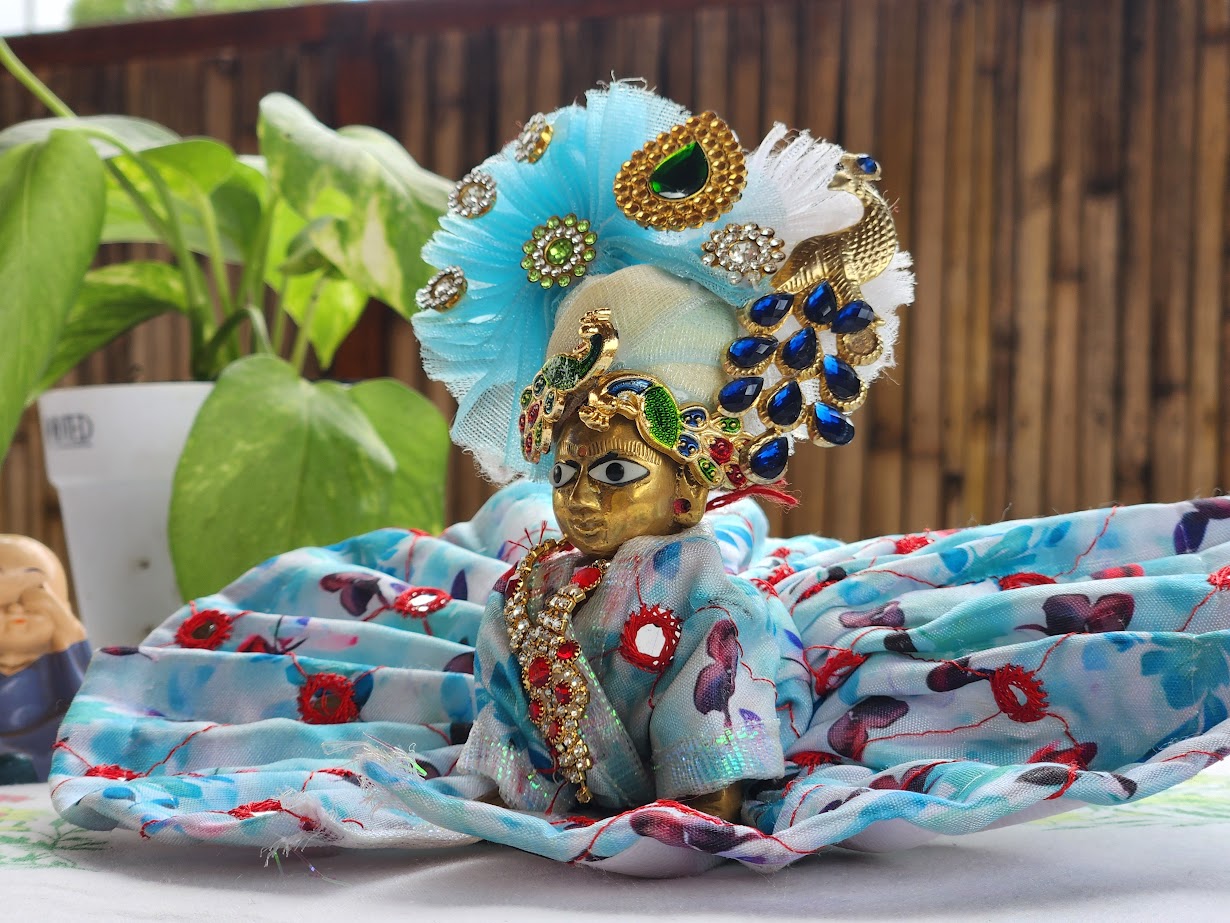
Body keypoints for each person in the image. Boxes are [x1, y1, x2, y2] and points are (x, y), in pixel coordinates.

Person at [49, 84, 1230, 875]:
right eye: (564, 465)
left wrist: (704, 792)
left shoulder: (712, 591)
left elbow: (714, 681)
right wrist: (508, 775)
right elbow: (510, 691)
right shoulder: (534, 576)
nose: (578, 494)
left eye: (611, 468)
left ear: (692, 483)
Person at [0, 535, 89, 783]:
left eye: (32, 596)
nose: (16, 610)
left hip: (46, 743)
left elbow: (86, 700)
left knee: (80, 736)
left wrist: (67, 636)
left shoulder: (58, 660)